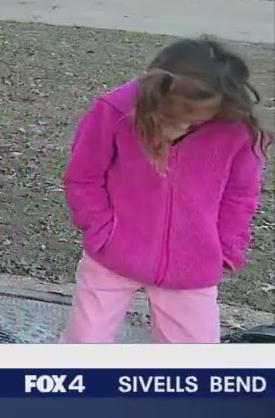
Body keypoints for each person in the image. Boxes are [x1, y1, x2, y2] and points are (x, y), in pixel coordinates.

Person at [60, 38, 267, 344]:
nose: (179, 128)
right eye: (170, 119)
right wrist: (101, 229)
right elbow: (83, 176)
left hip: (192, 266)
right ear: (153, 95)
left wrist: (226, 247)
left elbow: (241, 195)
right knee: (84, 345)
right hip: (112, 256)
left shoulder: (235, 130)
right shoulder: (115, 111)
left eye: (195, 121)